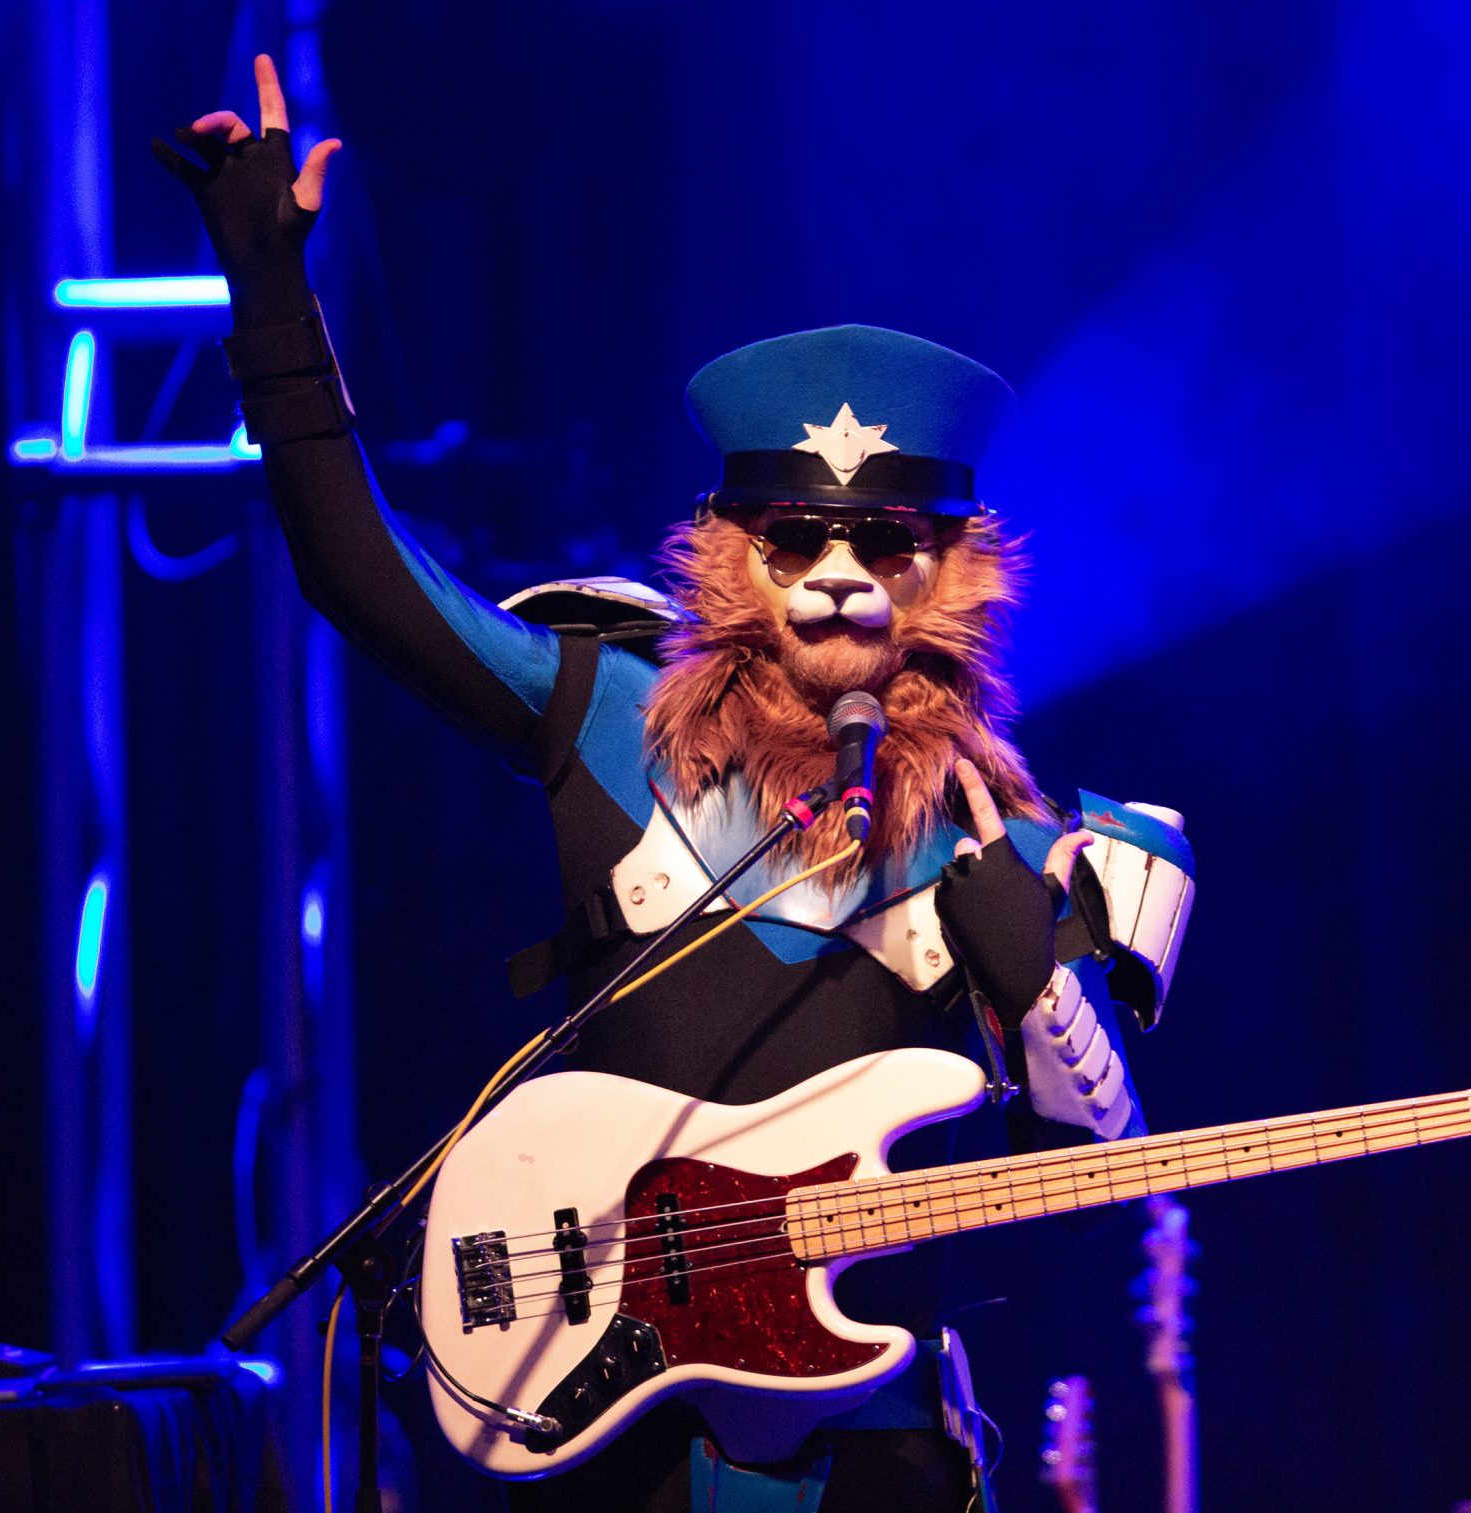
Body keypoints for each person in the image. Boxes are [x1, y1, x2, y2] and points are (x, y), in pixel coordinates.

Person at [155, 55, 1194, 1513]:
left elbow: (1093, 1197)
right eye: (794, 541)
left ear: (953, 570)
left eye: (887, 547)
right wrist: (271, 294)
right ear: (729, 553)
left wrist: (1034, 983)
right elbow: (367, 581)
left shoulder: (1008, 837)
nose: (840, 580)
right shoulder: (608, 714)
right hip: (616, 1427)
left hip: (875, 1446)